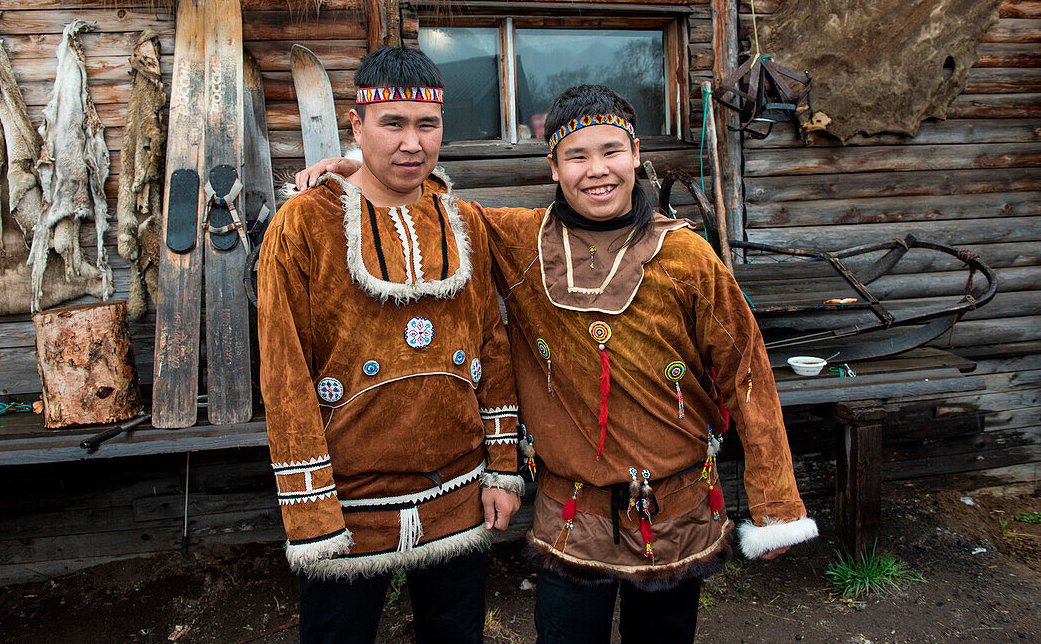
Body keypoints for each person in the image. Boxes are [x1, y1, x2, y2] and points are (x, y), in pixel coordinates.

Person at [297, 84, 816, 643]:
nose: (598, 171)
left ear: (637, 154)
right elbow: (425, 200)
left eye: (612, 151)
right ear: (553, 167)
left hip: (677, 510)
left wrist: (776, 501)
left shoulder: (688, 257)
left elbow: (747, 373)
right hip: (572, 517)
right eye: (577, 156)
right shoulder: (518, 240)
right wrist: (356, 167)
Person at [258, 45, 524, 644]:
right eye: (393, 123)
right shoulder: (303, 223)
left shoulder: (462, 220)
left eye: (427, 124)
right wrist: (310, 510)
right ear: (357, 125)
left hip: (458, 492)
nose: (413, 143)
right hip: (348, 501)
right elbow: (285, 374)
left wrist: (502, 469)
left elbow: (492, 345)